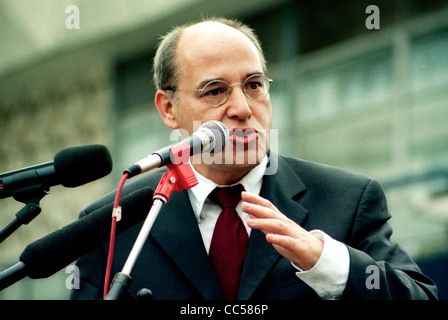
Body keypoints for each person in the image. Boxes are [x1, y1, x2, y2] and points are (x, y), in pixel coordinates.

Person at [71, 17, 437, 300]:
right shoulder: (112, 225)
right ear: (169, 108)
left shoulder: (347, 199)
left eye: (254, 85)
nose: (243, 109)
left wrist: (324, 261)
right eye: (215, 91)